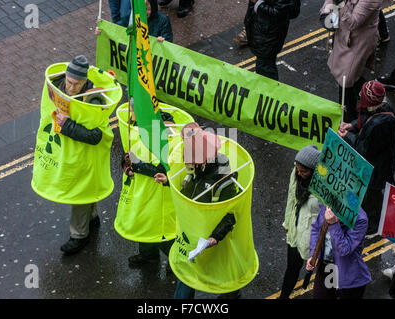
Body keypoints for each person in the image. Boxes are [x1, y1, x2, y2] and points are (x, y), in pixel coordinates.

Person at [155, 123, 242, 299]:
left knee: (222, 273)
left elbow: (231, 214)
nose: (187, 163)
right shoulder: (198, 169)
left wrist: (215, 237)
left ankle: (231, 294)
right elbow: (189, 193)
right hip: (194, 235)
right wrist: (168, 182)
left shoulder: (223, 179)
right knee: (187, 277)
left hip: (213, 238)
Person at [52, 55, 104, 255]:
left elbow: (95, 135)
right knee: (86, 188)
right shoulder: (59, 86)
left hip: (86, 154)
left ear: (85, 82)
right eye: (68, 82)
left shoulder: (94, 99)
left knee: (79, 193)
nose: (70, 88)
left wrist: (66, 125)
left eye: (75, 84)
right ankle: (92, 217)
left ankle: (79, 236)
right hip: (71, 151)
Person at [117, 107, 178, 267]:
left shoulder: (172, 140)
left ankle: (176, 263)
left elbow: (161, 170)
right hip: (141, 192)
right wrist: (126, 165)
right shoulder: (140, 132)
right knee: (143, 225)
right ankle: (148, 256)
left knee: (162, 233)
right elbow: (128, 153)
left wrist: (136, 165)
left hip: (160, 199)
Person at [337, 80, 395, 236]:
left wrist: (347, 135)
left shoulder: (379, 124)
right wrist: (352, 126)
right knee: (372, 195)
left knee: (372, 196)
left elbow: (362, 148)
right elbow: (365, 118)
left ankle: (373, 226)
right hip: (380, 161)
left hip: (377, 168)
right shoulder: (382, 104)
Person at [320, 0, 381, 123]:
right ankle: (373, 96)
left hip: (358, 42)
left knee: (346, 80)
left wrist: (339, 3)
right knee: (352, 76)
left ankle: (348, 120)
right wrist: (329, 8)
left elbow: (352, 23)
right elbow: (329, 5)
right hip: (344, 37)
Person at [278, 145, 321, 299]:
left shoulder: (323, 187)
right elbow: (291, 197)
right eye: (298, 170)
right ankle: (284, 296)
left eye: (304, 171)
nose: (300, 174)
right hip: (296, 231)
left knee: (316, 269)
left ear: (314, 170)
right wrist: (287, 223)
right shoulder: (295, 174)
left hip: (313, 234)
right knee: (292, 268)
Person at [306, 205, 372, 299]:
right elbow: (316, 229)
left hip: (348, 277)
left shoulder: (359, 218)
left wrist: (333, 224)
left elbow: (344, 249)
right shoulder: (328, 205)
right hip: (326, 269)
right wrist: (314, 254)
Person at [244, 0, 301, 81]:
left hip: (269, 37)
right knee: (263, 67)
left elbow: (287, 12)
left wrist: (258, 4)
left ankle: (269, 91)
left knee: (265, 68)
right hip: (260, 32)